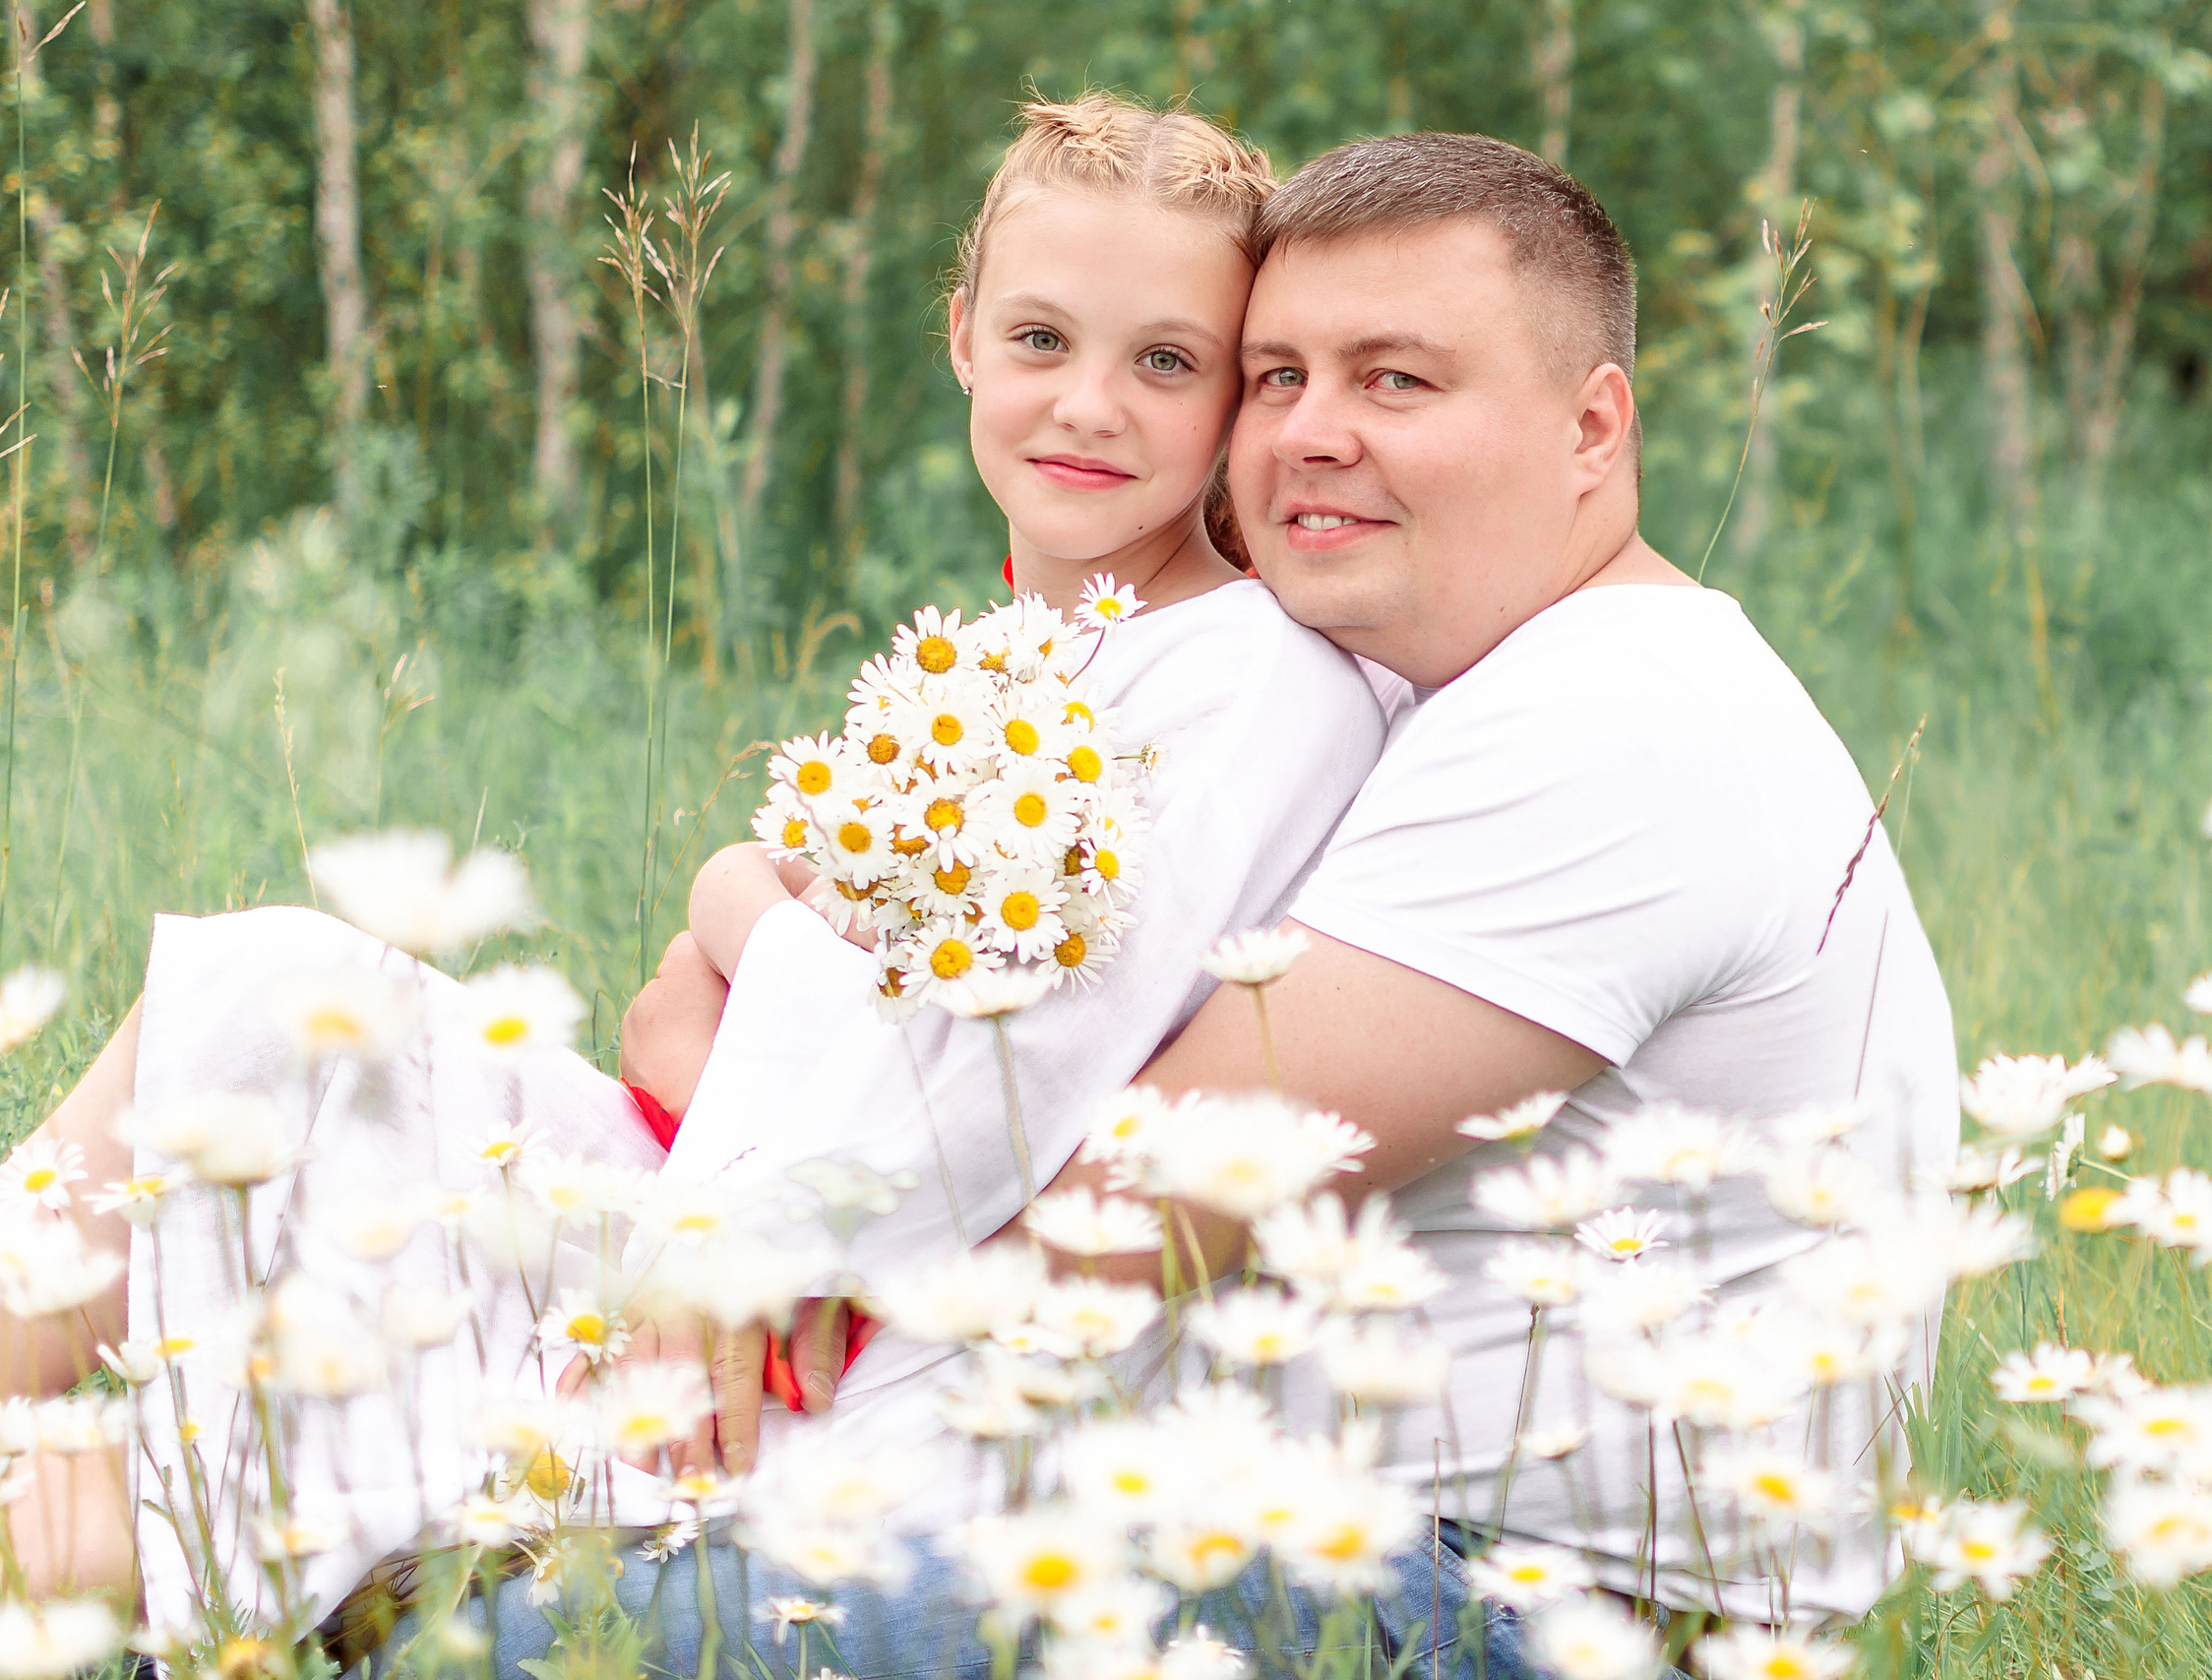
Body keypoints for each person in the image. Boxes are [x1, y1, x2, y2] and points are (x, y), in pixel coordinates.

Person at [1, 92, 1389, 1651]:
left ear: (1234, 398)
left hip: (835, 1309)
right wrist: (746, 906)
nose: (1089, 406)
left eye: (1165, 361)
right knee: (277, 985)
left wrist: (738, 921)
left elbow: (1012, 1062)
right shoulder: (1013, 650)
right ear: (961, 339)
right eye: (1042, 340)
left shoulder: (1246, 680)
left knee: (198, 1465)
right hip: (726, 1177)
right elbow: (782, 983)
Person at [628, 129, 1958, 1645]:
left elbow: (1103, 1228)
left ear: (1595, 428)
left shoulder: (1617, 723)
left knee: (533, 1640)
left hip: (1518, 1610)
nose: (1314, 433)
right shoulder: (1460, 690)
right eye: (1279, 378)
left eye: (1397, 379)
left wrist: (762, 1110)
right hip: (1316, 1537)